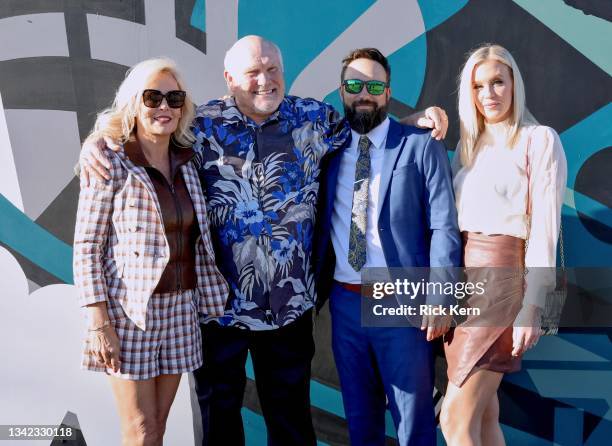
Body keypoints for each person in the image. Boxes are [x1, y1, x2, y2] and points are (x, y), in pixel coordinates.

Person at [78, 36, 449, 445]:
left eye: (273, 69)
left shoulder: (313, 119)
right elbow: (143, 137)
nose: (265, 80)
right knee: (219, 428)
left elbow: (371, 129)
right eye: (253, 72)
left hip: (287, 310)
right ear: (229, 78)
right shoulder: (199, 127)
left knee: (291, 427)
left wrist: (414, 122)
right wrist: (96, 142)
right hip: (220, 310)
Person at [73, 57, 228, 446]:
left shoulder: (188, 162)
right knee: (139, 431)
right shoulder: (109, 160)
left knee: (158, 426)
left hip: (181, 308)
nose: (164, 107)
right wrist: (98, 322)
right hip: (130, 313)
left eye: (174, 98)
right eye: (153, 96)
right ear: (134, 103)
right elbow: (87, 246)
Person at [312, 48, 461, 445]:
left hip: (401, 302)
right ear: (342, 91)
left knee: (414, 425)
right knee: (362, 426)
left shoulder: (421, 146)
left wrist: (440, 296)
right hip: (345, 305)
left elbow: (445, 226)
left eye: (374, 85)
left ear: (388, 92)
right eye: (355, 85)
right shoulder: (325, 149)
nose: (364, 93)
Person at [440, 44, 567, 445]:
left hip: (501, 283)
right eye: (478, 86)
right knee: (483, 418)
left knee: (454, 421)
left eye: (498, 82)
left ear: (514, 84)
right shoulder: (469, 148)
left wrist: (533, 306)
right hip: (462, 285)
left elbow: (546, 228)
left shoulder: (539, 139)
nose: (489, 93)